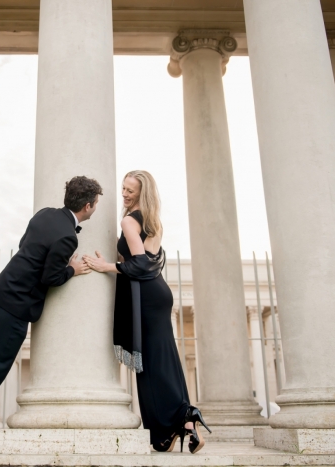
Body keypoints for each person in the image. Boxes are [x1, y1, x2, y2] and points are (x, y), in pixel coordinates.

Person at [0, 176, 102, 452]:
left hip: (6, 290)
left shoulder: (45, 215)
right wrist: (71, 269)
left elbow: (25, 243)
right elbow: (50, 276)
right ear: (87, 206)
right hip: (19, 303)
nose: (96, 208)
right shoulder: (67, 237)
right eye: (96, 204)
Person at [83, 170, 210, 454]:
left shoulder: (129, 220)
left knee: (151, 365)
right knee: (163, 359)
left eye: (131, 190)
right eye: (124, 189)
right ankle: (179, 424)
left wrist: (108, 267)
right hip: (158, 293)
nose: (125, 194)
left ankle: (177, 425)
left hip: (147, 297)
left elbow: (140, 264)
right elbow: (148, 260)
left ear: (142, 193)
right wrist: (117, 260)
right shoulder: (153, 221)